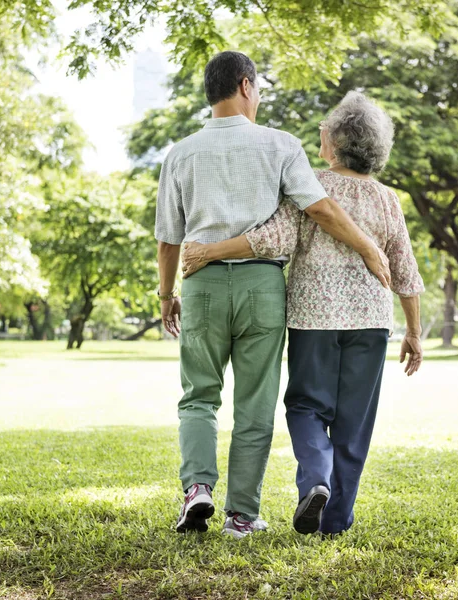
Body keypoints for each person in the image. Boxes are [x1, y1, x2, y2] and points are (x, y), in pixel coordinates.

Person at [155, 53, 391, 539]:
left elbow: (168, 238)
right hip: (262, 287)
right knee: (255, 405)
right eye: (258, 89)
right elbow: (321, 209)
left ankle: (197, 488)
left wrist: (165, 294)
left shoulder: (180, 153)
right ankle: (241, 516)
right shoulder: (279, 145)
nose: (258, 98)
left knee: (198, 395)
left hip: (200, 283)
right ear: (245, 85)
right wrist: (368, 246)